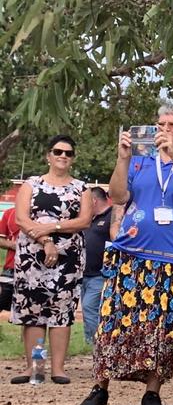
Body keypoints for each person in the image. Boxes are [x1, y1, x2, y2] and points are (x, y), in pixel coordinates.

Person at [76, 102, 173, 405]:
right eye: (160, 123)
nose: (165, 129)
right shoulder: (139, 162)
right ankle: (100, 388)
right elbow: (119, 196)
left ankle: (152, 392)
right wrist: (122, 159)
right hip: (131, 253)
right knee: (113, 323)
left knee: (163, 328)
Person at [10, 135, 93, 384]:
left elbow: (84, 221)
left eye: (68, 153)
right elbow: (22, 220)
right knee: (34, 311)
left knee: (61, 310)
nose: (63, 156)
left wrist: (53, 227)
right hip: (31, 255)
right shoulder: (31, 184)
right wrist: (46, 241)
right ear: (48, 155)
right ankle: (34, 368)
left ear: (73, 159)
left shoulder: (81, 188)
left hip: (68, 258)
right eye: (58, 151)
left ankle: (58, 368)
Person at [81, 186, 115, 346]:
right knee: (88, 308)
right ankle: (92, 342)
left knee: (89, 307)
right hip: (84, 274)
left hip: (100, 274)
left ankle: (96, 343)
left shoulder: (112, 217)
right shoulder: (88, 219)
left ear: (93, 201)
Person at [0, 205, 17, 313]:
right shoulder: (10, 213)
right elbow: (1, 240)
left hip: (38, 270)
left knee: (30, 316)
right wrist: (14, 245)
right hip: (11, 269)